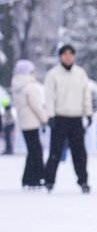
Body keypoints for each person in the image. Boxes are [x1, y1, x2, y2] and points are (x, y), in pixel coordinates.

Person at [43, 44, 93, 193]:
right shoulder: (53, 74)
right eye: (65, 54)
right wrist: (50, 115)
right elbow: (49, 97)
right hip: (59, 117)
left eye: (71, 54)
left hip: (76, 118)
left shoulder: (80, 73)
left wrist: (88, 112)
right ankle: (49, 180)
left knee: (80, 153)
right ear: (60, 56)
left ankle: (83, 181)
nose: (68, 56)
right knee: (55, 151)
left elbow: (86, 94)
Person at [11, 60, 48, 189]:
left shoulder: (16, 84)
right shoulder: (30, 85)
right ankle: (36, 177)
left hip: (23, 121)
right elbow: (36, 105)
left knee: (32, 150)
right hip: (32, 121)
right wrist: (44, 119)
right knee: (36, 151)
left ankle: (28, 178)